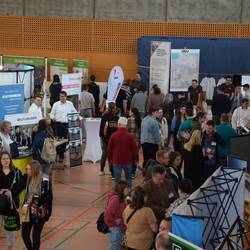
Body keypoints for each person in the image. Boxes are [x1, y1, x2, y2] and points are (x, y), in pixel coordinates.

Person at [21, 160, 52, 250]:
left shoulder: (44, 179)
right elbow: (19, 187)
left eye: (29, 169)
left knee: (35, 235)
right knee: (24, 234)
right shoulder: (28, 178)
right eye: (26, 169)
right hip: (27, 210)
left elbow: (48, 197)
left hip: (39, 210)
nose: (27, 171)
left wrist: (34, 199)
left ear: (35, 169)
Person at [108, 117, 139, 188]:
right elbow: (135, 149)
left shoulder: (113, 136)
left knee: (117, 180)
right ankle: (128, 196)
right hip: (127, 161)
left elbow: (109, 149)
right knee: (128, 179)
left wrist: (109, 159)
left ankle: (118, 196)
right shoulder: (130, 136)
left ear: (119, 124)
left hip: (116, 161)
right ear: (126, 125)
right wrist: (136, 159)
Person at [0, 152, 22, 250]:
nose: (6, 160)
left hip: (11, 205)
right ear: (0, 160)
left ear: (10, 159)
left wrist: (11, 192)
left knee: (11, 229)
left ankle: (10, 247)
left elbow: (20, 187)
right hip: (0, 203)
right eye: (4, 159)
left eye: (8, 158)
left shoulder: (16, 172)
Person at [50, 91, 77, 165]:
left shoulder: (70, 104)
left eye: (62, 96)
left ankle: (61, 153)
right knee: (58, 140)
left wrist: (78, 117)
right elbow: (51, 114)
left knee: (64, 139)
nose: (61, 98)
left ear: (66, 97)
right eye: (60, 96)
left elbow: (74, 112)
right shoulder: (56, 104)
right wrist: (53, 118)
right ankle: (60, 155)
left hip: (66, 124)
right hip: (58, 125)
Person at [104, 181, 129, 250]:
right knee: (114, 247)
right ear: (121, 189)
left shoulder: (124, 198)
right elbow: (107, 215)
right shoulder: (116, 200)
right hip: (116, 229)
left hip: (121, 228)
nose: (128, 190)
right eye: (126, 189)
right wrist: (114, 222)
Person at [99, 102, 119, 176]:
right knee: (112, 154)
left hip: (105, 138)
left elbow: (101, 128)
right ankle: (111, 170)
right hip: (113, 139)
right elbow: (117, 129)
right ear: (114, 108)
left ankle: (101, 170)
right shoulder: (116, 117)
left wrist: (101, 137)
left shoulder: (104, 116)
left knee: (104, 153)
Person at [127, 108, 141, 177]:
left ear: (132, 113)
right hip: (137, 141)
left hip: (130, 141)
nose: (129, 112)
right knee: (135, 157)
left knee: (129, 157)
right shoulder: (139, 120)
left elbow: (127, 130)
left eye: (130, 111)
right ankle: (133, 172)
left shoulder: (129, 120)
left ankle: (130, 172)